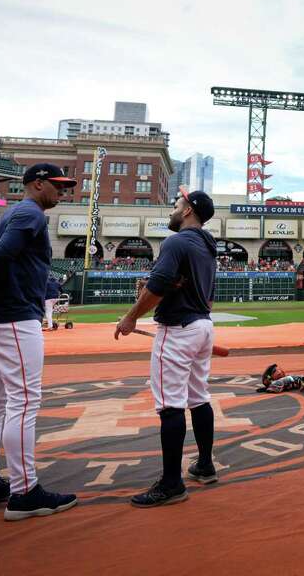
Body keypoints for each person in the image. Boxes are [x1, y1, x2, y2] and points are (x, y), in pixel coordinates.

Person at [0, 163, 78, 521]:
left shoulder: (12, 213)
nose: (62, 191)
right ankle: (24, 493)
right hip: (13, 317)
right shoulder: (31, 213)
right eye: (57, 185)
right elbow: (0, 257)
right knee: (23, 401)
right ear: (37, 184)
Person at [115, 186, 218, 508]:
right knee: (198, 397)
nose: (174, 207)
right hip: (202, 325)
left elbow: (157, 286)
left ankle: (172, 483)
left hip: (177, 329)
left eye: (178, 203)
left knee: (170, 405)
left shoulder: (176, 241)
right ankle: (204, 464)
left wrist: (130, 318)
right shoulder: (207, 245)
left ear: (188, 210)